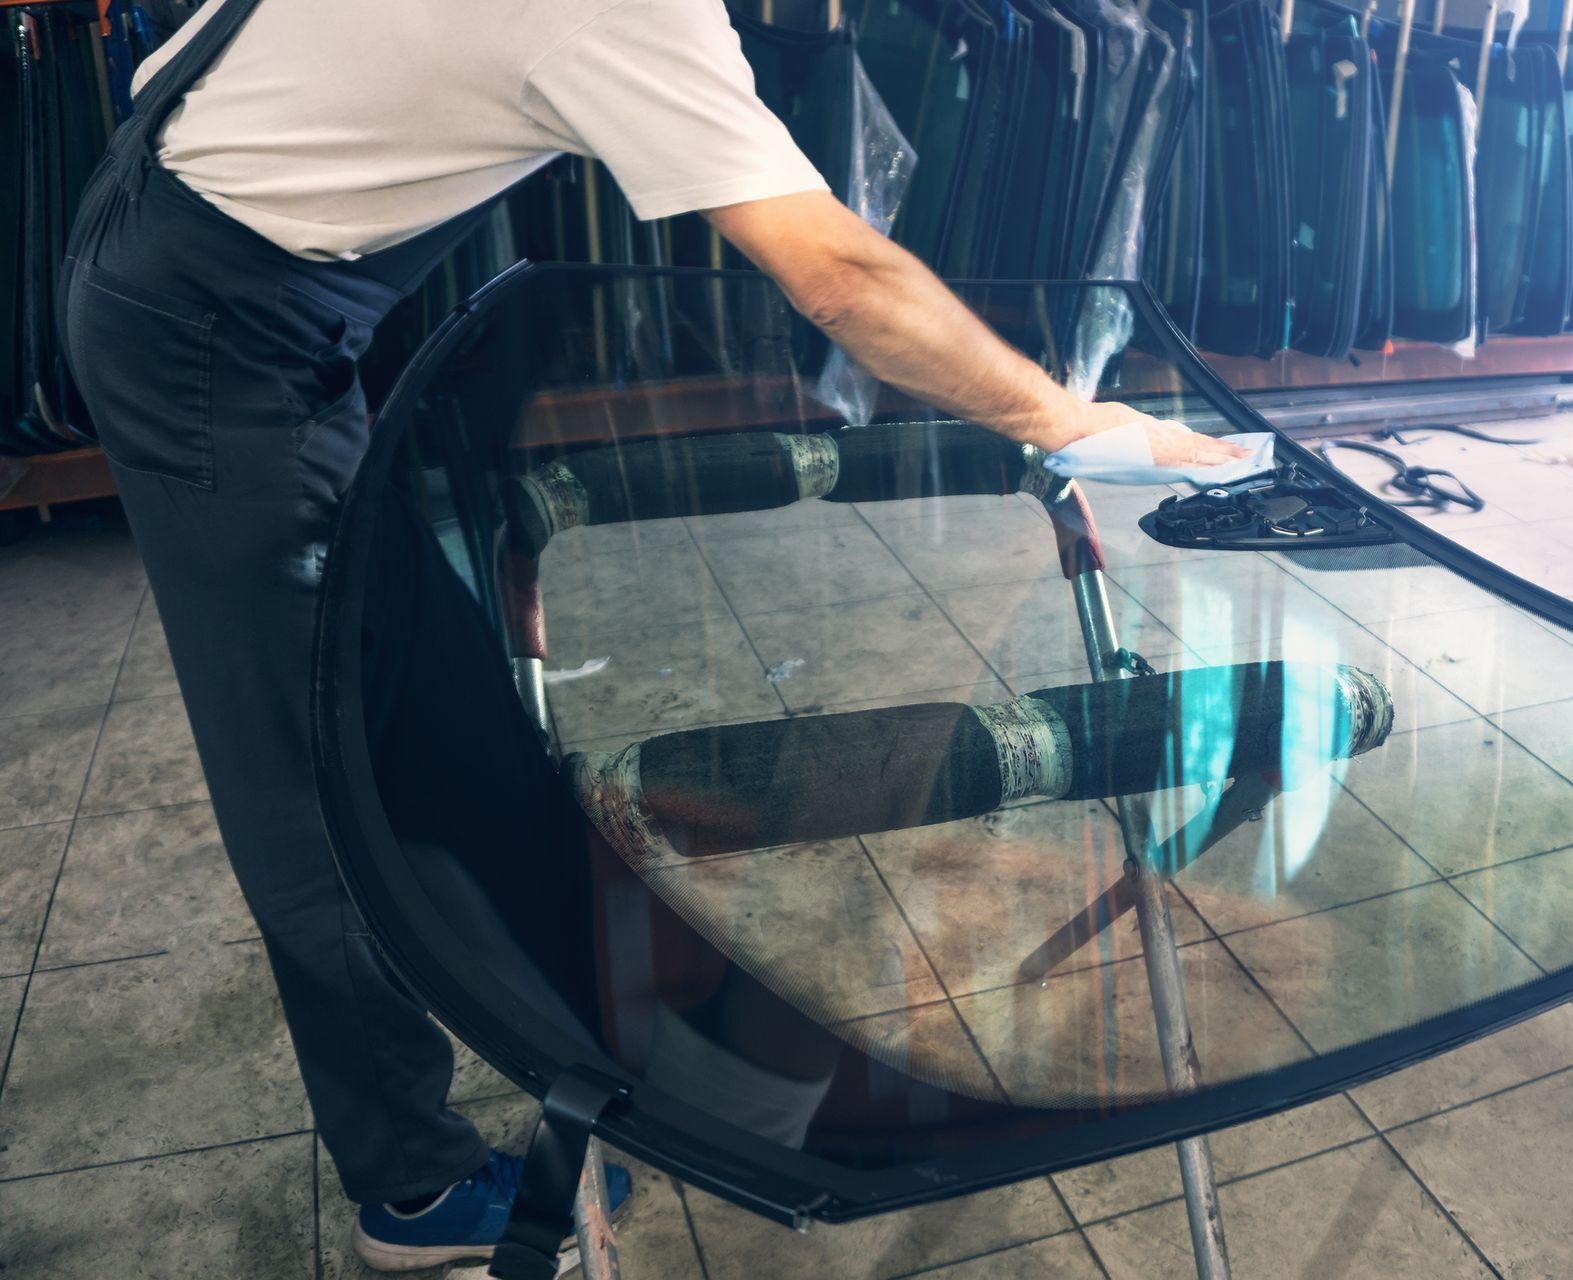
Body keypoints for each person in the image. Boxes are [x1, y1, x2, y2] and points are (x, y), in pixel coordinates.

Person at [56, 0, 1244, 1269]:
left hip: (217, 258)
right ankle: (410, 1187)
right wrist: (1069, 419)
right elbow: (838, 274)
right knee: (308, 781)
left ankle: (597, 1035)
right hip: (212, 332)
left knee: (414, 688)